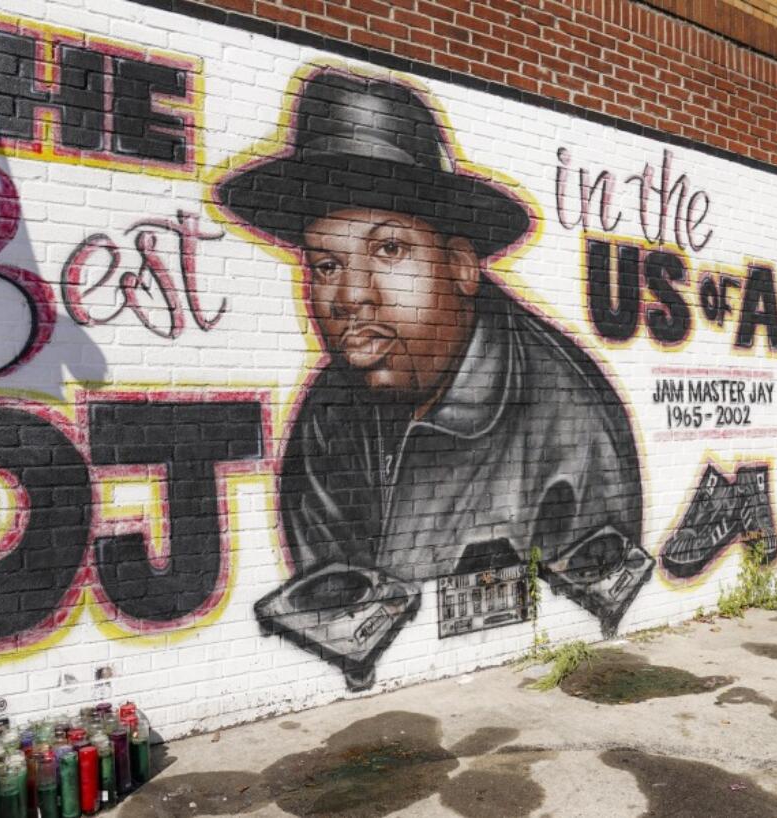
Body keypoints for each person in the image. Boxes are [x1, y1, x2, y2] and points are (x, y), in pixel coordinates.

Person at [215, 67, 648, 687]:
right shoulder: (330, 414)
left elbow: (591, 616)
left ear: (462, 266)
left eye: (388, 250)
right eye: (327, 264)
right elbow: (333, 616)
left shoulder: (566, 420)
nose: (350, 296)